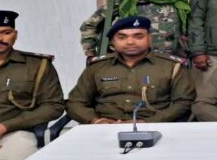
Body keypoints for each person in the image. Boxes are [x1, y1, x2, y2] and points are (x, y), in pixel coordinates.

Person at [0, 10, 64, 160]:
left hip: (12, 133)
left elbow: (53, 106)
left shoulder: (37, 65)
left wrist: (1, 127)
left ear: (15, 35)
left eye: (6, 32)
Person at [67, 16, 195, 124]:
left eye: (138, 37)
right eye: (122, 37)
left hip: (154, 127)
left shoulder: (171, 66)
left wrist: (148, 122)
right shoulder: (97, 67)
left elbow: (184, 102)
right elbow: (75, 102)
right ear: (113, 42)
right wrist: (96, 120)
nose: (130, 42)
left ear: (149, 39)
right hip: (103, 128)